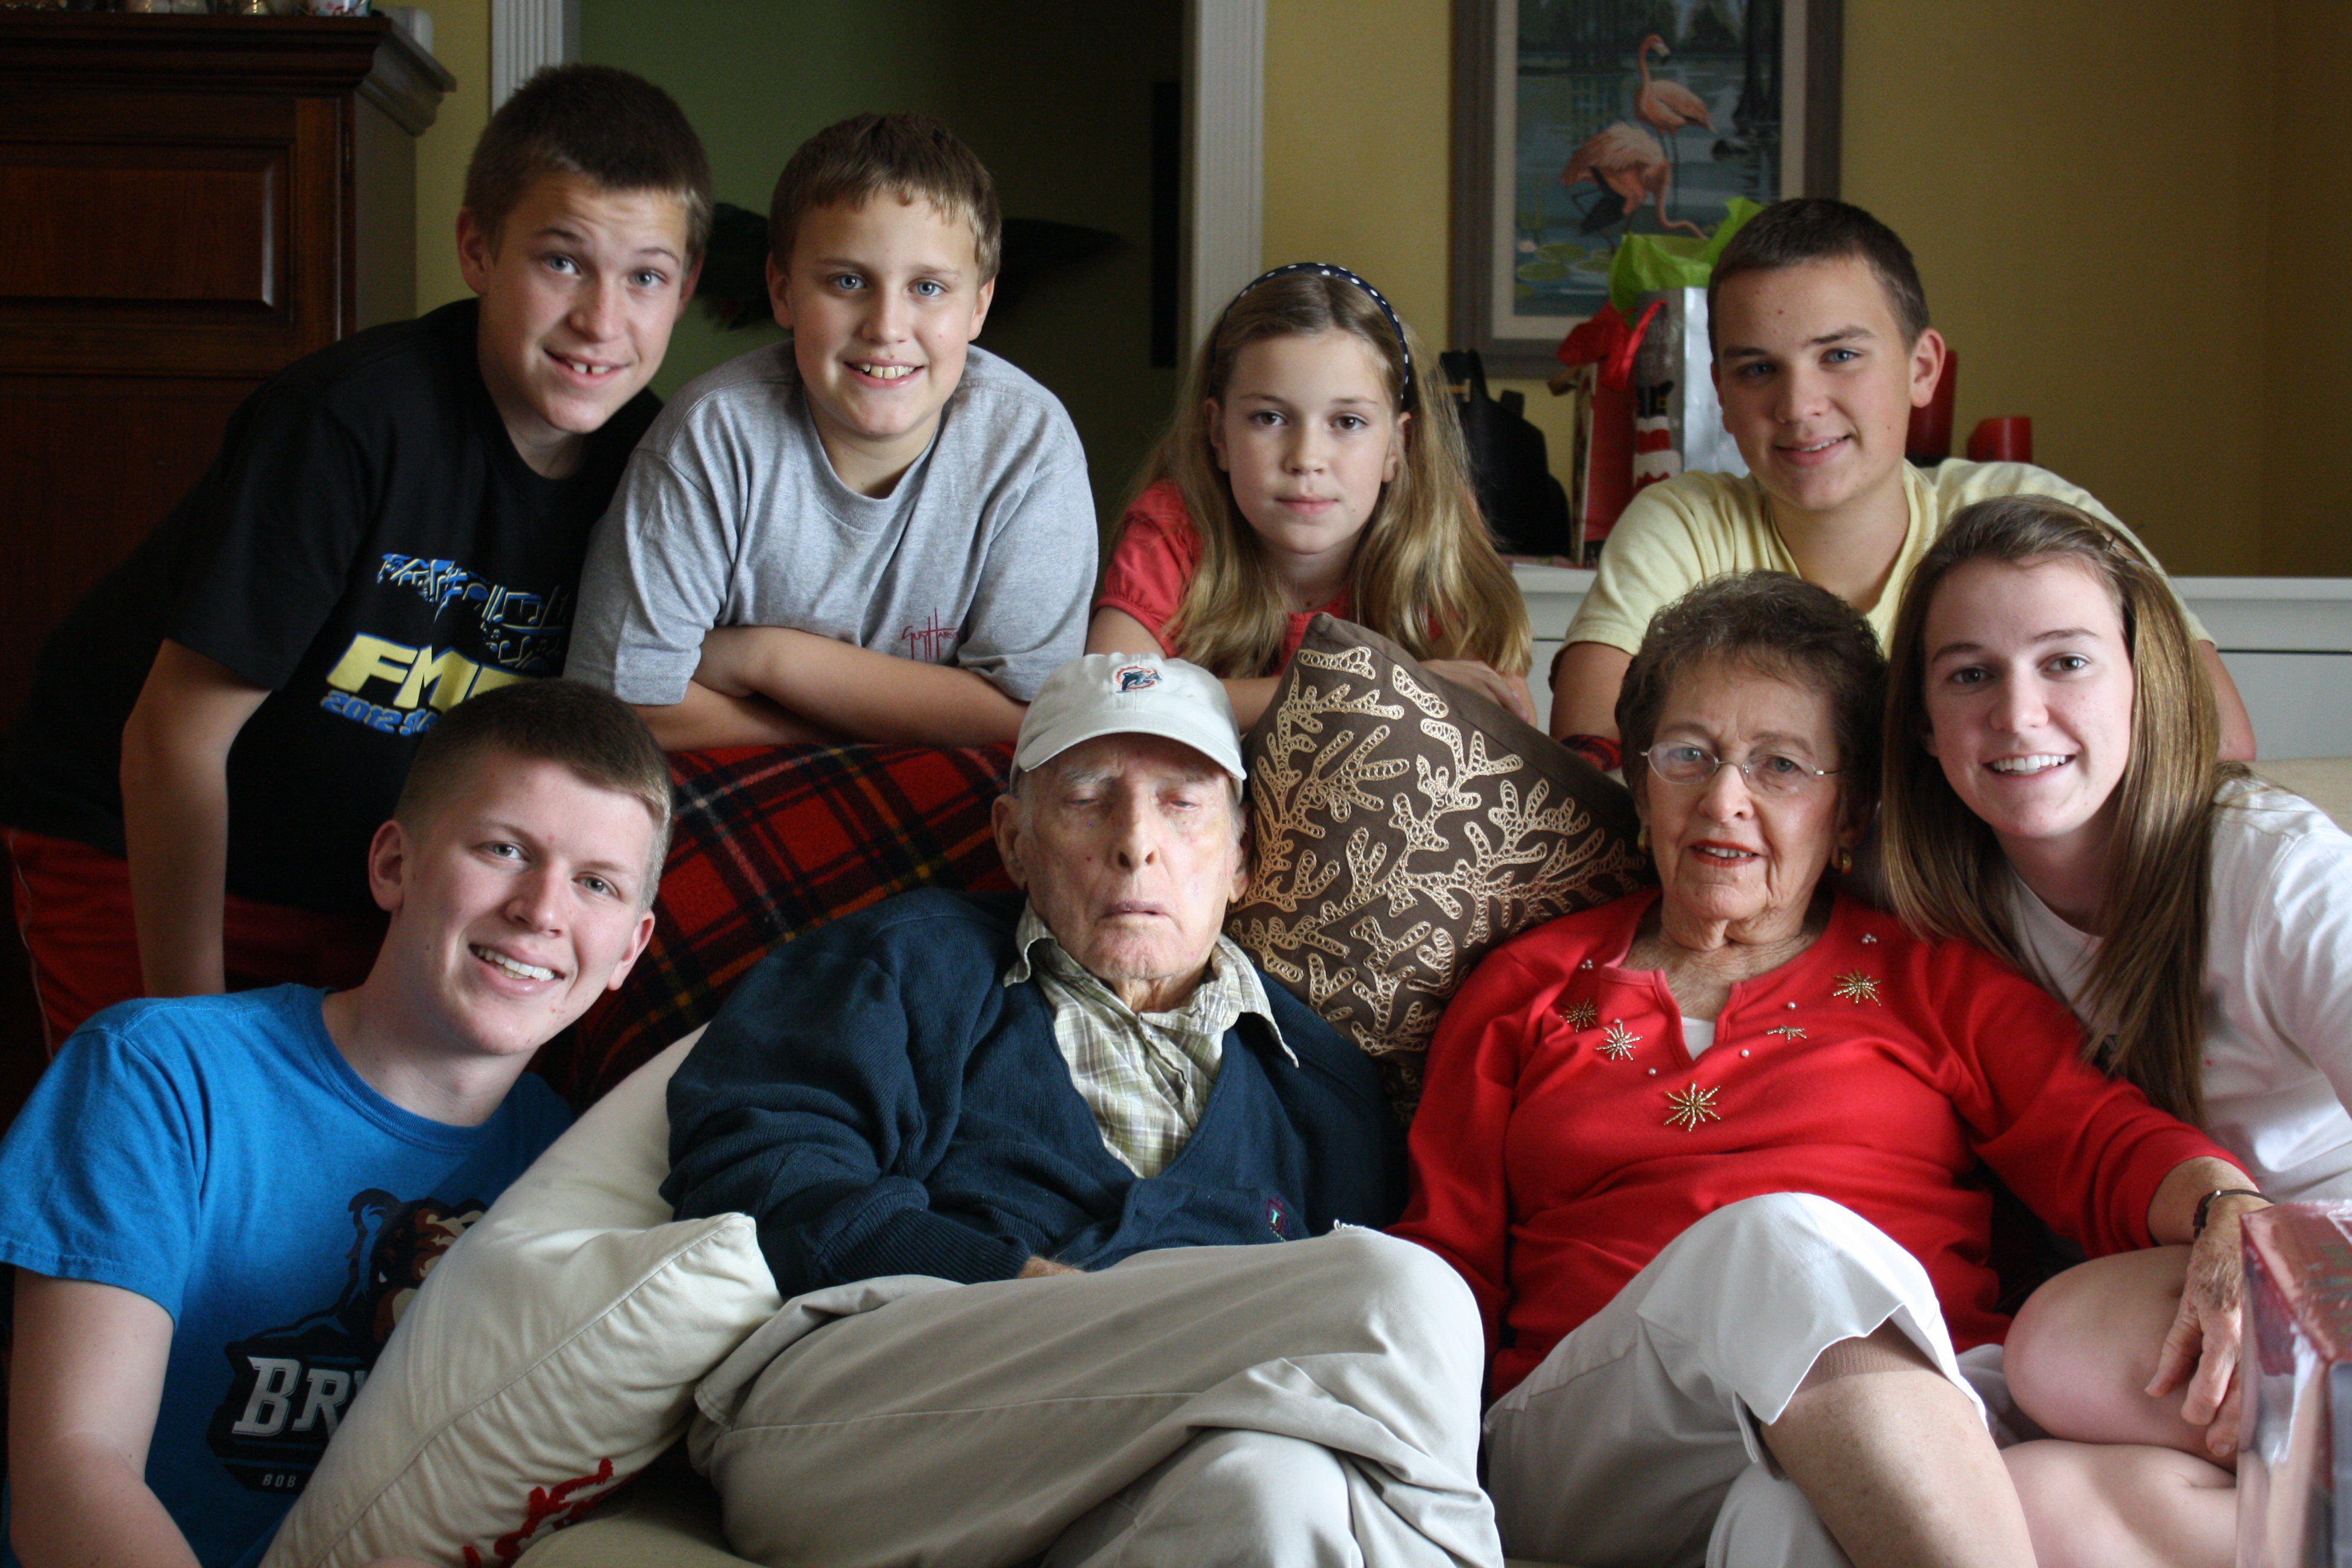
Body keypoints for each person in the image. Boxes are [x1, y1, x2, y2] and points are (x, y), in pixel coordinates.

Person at [1393, 571, 2257, 1568]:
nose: (1724, 798)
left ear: (1851, 815)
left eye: (1781, 765)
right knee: (1778, 1246)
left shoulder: (1934, 979)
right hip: (1599, 1438)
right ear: (1640, 779)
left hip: (1911, 1415)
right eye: (1688, 754)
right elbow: (1443, 1267)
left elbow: (2100, 1138)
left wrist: (2223, 1204)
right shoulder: (1528, 987)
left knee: (1797, 1522)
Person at [660, 652, 1500, 1567]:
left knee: (1273, 1492)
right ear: (1014, 840)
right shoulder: (902, 963)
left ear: (1242, 858)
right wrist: (1025, 1289)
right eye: (1088, 798)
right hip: (872, 1416)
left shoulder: (1322, 1086)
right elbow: (755, 1173)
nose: (1136, 842)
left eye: (1182, 804)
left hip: (1158, 1460)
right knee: (1405, 1296)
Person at [0, 65, 708, 1051]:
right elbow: (173, 740)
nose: (601, 319)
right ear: (477, 248)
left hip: (379, 883)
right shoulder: (345, 424)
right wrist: (187, 1042)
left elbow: (668, 694)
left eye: (645, 277)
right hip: (143, 842)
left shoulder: (666, 467)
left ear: (686, 289)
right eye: (561, 261)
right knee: (169, 1120)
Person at [0, 679, 670, 1568]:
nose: (542, 911)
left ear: (630, 948)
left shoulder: (584, 1166)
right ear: (394, 865)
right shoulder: (157, 1073)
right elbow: (70, 1471)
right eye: (505, 849)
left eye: (595, 883)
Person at [1880, 492, 2352, 1546]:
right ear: (1920, 723)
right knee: (2026, 1502)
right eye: (1969, 675)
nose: (2017, 714)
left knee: (2061, 1346)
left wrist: (2286, 1302)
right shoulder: (1938, 904)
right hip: (2176, 1293)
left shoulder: (2276, 870)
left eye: (2065, 662)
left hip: (2326, 1253)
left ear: (2145, 682)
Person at [1545, 196, 2254, 769]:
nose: (1798, 406)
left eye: (1840, 356)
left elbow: (2219, 735)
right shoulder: (1683, 522)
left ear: (1922, 369)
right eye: (1758, 369)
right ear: (1723, 395)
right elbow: (1590, 751)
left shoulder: (2030, 513)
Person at [567, 112, 1096, 752]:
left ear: (979, 306)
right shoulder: (710, 437)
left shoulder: (1029, 445)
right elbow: (625, 705)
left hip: (956, 787)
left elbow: (1033, 719)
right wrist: (846, 730)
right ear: (783, 291)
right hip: (726, 778)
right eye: (848, 281)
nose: (886, 327)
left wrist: (768, 659)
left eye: (928, 287)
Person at [1089, 262, 1533, 730]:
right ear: (1219, 435)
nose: (1306, 458)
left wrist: (1194, 698)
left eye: (1348, 422)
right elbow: (1110, 695)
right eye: (1269, 418)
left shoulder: (1434, 528)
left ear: (1397, 446)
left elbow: (1505, 719)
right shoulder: (1176, 526)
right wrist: (1380, 687)